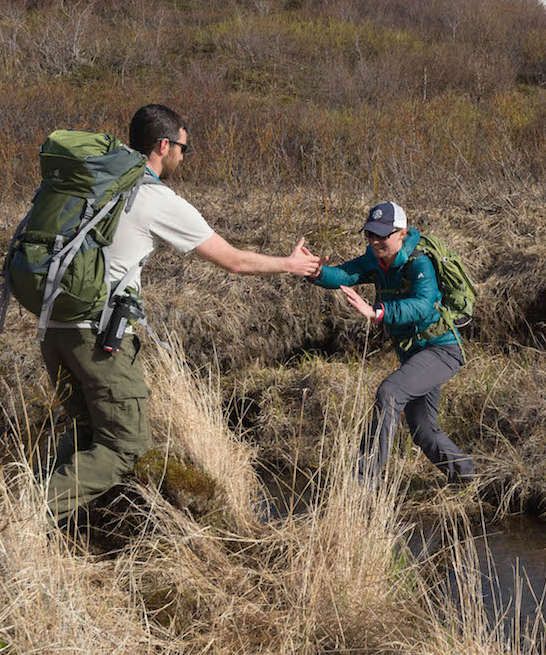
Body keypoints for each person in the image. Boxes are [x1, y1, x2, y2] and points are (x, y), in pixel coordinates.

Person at [41, 103, 322, 525]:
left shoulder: (94, 182)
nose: (184, 158)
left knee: (85, 433)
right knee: (124, 448)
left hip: (52, 327)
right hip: (97, 339)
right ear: (163, 145)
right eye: (184, 149)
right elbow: (232, 261)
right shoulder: (154, 198)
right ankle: (24, 517)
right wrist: (290, 264)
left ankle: (51, 520)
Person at [309, 201, 475, 484]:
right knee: (423, 430)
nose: (374, 241)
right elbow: (345, 275)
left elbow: (423, 305)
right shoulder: (376, 260)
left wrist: (377, 313)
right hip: (415, 356)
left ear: (402, 233)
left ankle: (360, 483)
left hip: (442, 350)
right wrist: (315, 272)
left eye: (382, 235)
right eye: (370, 234)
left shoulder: (419, 262)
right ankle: (468, 477)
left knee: (390, 392)